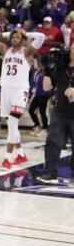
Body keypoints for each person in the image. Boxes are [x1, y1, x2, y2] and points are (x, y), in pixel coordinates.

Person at [0, 29, 44, 168]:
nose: (15, 39)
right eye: (13, 37)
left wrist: (25, 34)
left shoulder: (27, 51)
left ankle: (7, 159)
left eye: (18, 37)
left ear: (23, 39)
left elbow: (41, 37)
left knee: (13, 124)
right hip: (6, 91)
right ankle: (21, 154)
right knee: (12, 125)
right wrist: (4, 34)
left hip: (19, 91)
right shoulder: (5, 49)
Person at [36, 49, 74, 184]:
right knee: (53, 141)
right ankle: (50, 173)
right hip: (60, 112)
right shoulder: (61, 68)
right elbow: (47, 87)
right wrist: (47, 69)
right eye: (73, 49)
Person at [29, 58, 51, 134]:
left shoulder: (47, 71)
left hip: (44, 94)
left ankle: (45, 128)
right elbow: (32, 83)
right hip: (37, 93)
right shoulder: (35, 71)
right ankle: (37, 125)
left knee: (42, 112)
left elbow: (50, 82)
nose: (34, 63)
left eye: (36, 62)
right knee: (31, 110)